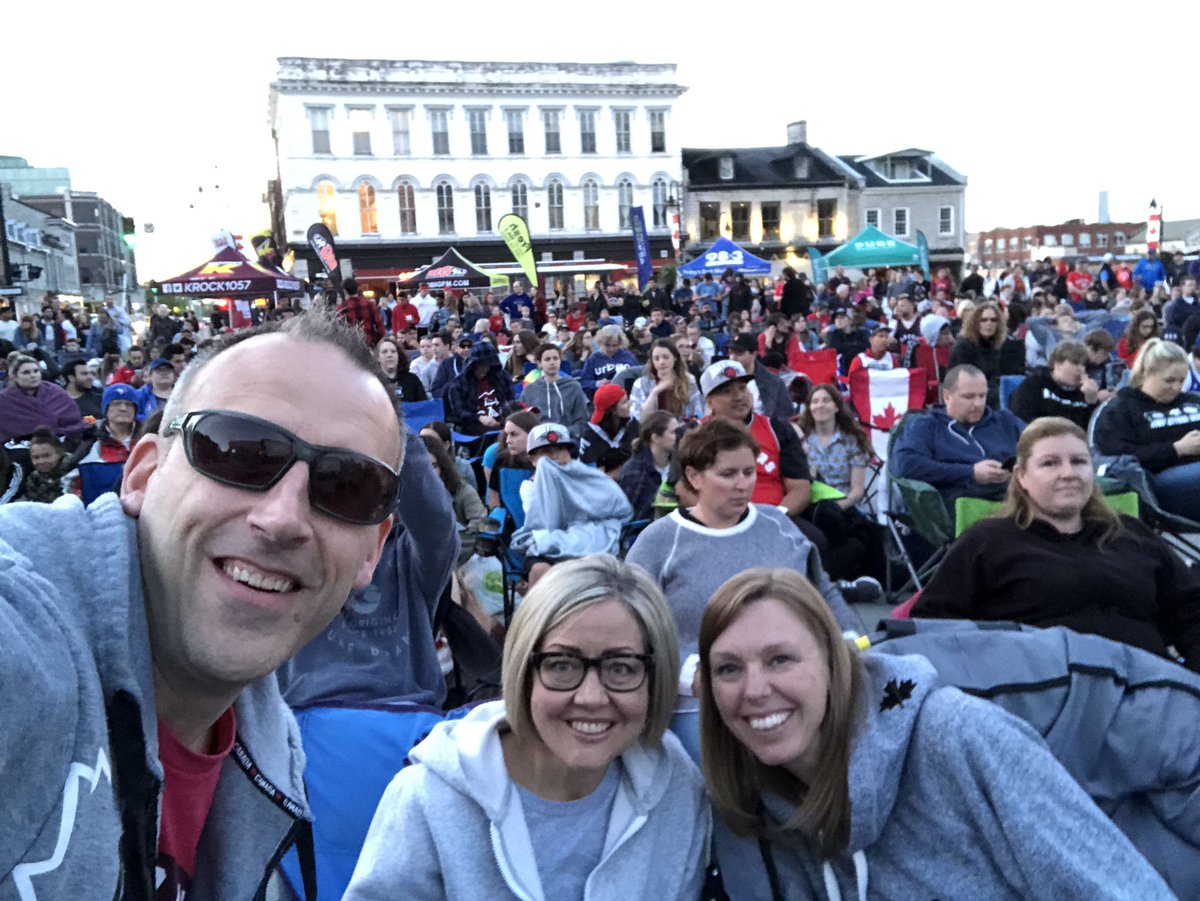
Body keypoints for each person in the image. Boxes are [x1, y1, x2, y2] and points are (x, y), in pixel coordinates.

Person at [0, 313, 402, 897]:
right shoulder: (24, 641)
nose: (282, 518)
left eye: (348, 486)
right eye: (237, 451)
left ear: (373, 550)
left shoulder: (271, 750)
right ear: (140, 475)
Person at [697, 568, 1175, 900]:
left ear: (832, 659)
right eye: (728, 669)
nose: (754, 690)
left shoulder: (959, 736)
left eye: (781, 659)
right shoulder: (761, 797)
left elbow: (1119, 890)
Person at [344, 555, 710, 900]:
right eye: (562, 664)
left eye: (622, 668)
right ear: (524, 670)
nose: (592, 697)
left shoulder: (675, 785)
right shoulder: (427, 801)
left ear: (655, 677)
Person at [912, 417, 1199, 670]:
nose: (1068, 473)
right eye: (1050, 463)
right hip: (1045, 697)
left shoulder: (1130, 533)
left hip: (1149, 690)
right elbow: (931, 625)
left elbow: (1191, 614)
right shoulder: (988, 541)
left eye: (1079, 461)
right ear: (1021, 476)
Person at [627, 418, 858, 660]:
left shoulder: (777, 524)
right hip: (699, 686)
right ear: (694, 477)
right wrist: (685, 671)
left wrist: (848, 638)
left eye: (749, 472)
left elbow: (822, 588)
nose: (742, 485)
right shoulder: (659, 541)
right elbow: (632, 621)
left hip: (792, 672)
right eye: (728, 474)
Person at [513, 423, 634, 585]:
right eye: (547, 452)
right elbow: (544, 522)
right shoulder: (530, 487)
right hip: (550, 548)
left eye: (561, 449)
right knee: (539, 570)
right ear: (533, 459)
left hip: (592, 543)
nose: (555, 456)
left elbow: (619, 510)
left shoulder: (591, 478)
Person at [1092, 338, 1200, 519]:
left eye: (1181, 380)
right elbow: (1115, 459)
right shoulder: (1121, 408)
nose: (1176, 387)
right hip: (1158, 484)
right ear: (1146, 373)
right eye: (1169, 380)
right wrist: (1176, 449)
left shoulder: (1193, 401)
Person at [891, 364, 1025, 508]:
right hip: (960, 504)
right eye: (969, 397)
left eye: (982, 395)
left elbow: (1039, 444)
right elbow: (906, 464)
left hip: (1016, 498)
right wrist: (970, 473)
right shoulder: (926, 426)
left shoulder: (1005, 421)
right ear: (947, 396)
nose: (978, 404)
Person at [796, 384, 885, 581]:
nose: (820, 405)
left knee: (831, 518)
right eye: (815, 401)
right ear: (809, 408)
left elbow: (857, 491)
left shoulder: (852, 440)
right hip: (810, 505)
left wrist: (837, 506)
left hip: (842, 507)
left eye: (826, 400)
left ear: (837, 406)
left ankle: (819, 577)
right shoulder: (802, 440)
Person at [423, 433, 490, 567]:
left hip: (457, 556)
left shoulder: (462, 489)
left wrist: (461, 536)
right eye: (422, 467)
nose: (428, 472)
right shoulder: (402, 493)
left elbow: (481, 520)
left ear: (442, 466)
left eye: (433, 466)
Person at [947, 301, 1025, 408]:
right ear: (975, 323)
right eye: (983, 320)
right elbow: (965, 382)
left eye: (994, 320)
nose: (989, 323)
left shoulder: (996, 345)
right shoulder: (963, 347)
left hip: (989, 392)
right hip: (968, 395)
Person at [0, 352, 89, 444]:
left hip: (61, 443)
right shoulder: (4, 399)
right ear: (15, 376)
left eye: (36, 371)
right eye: (26, 372)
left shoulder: (56, 391)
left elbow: (75, 423)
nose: (33, 375)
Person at [1009, 341, 1099, 429]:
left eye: (1083, 365)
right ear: (1057, 364)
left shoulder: (1084, 391)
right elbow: (1020, 418)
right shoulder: (1034, 384)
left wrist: (1092, 401)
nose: (1081, 369)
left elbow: (1094, 431)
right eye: (1075, 363)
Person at [618, 411, 679, 521]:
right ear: (656, 437)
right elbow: (629, 519)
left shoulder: (680, 465)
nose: (678, 436)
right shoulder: (634, 472)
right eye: (673, 432)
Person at [445, 340, 515, 436]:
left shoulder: (502, 377)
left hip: (502, 421)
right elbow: (459, 411)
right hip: (473, 424)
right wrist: (479, 418)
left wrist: (505, 417)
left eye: (487, 365)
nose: (484, 369)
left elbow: (511, 400)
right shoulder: (459, 383)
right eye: (480, 365)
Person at [520, 342, 589, 439]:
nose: (552, 362)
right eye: (547, 359)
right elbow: (525, 421)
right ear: (539, 363)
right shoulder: (529, 391)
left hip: (568, 440)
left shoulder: (574, 387)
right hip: (539, 441)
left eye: (555, 358)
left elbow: (582, 420)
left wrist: (565, 433)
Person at [628, 338, 704, 422]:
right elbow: (639, 418)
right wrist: (654, 393)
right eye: (656, 359)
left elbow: (699, 412)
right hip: (653, 431)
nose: (661, 362)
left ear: (675, 357)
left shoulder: (689, 380)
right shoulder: (640, 384)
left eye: (666, 357)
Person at [726, 334, 794, 420]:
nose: (733, 358)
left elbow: (785, 415)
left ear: (754, 354)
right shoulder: (722, 381)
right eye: (730, 353)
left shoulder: (774, 382)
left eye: (739, 354)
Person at [486, 409, 539, 512]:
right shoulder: (501, 461)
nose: (508, 441)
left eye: (514, 434)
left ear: (532, 434)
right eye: (507, 435)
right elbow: (493, 500)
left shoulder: (548, 462)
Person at [579, 384, 636, 470]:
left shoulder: (633, 425)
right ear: (612, 409)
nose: (630, 404)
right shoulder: (589, 436)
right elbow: (587, 472)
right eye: (624, 402)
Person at [579, 324, 639, 395]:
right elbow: (584, 382)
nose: (611, 349)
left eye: (615, 345)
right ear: (601, 342)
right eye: (607, 345)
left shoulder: (628, 356)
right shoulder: (593, 359)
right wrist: (598, 384)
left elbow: (639, 377)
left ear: (620, 343)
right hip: (603, 397)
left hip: (626, 395)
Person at [22, 427, 73, 503]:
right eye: (36, 457)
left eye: (46, 456)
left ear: (59, 453)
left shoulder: (74, 471)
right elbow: (30, 500)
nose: (41, 461)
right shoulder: (34, 478)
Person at [337, 277, 387, 347]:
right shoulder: (370, 305)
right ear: (358, 289)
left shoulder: (341, 308)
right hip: (370, 343)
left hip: (351, 346)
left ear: (345, 291)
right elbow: (379, 326)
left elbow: (339, 329)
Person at [374, 335, 428, 402]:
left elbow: (424, 407)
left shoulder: (413, 380)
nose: (389, 355)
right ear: (378, 358)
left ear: (398, 355)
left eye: (393, 351)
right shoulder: (371, 382)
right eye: (384, 352)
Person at [62, 356, 104, 421]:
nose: (90, 377)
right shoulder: (57, 398)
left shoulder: (99, 395)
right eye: (84, 374)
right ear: (71, 378)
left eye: (91, 374)